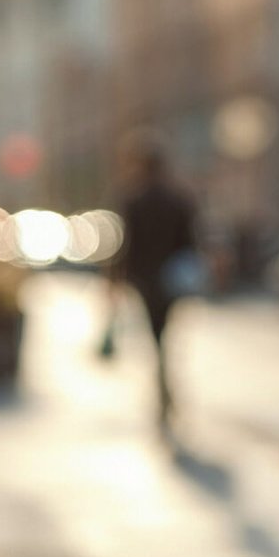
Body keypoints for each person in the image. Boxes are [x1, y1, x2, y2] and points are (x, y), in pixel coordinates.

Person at [117, 142, 198, 428]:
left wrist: (115, 280)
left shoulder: (135, 200)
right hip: (171, 279)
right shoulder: (179, 200)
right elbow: (191, 243)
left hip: (145, 279)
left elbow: (126, 245)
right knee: (165, 331)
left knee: (156, 334)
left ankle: (163, 384)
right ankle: (165, 384)